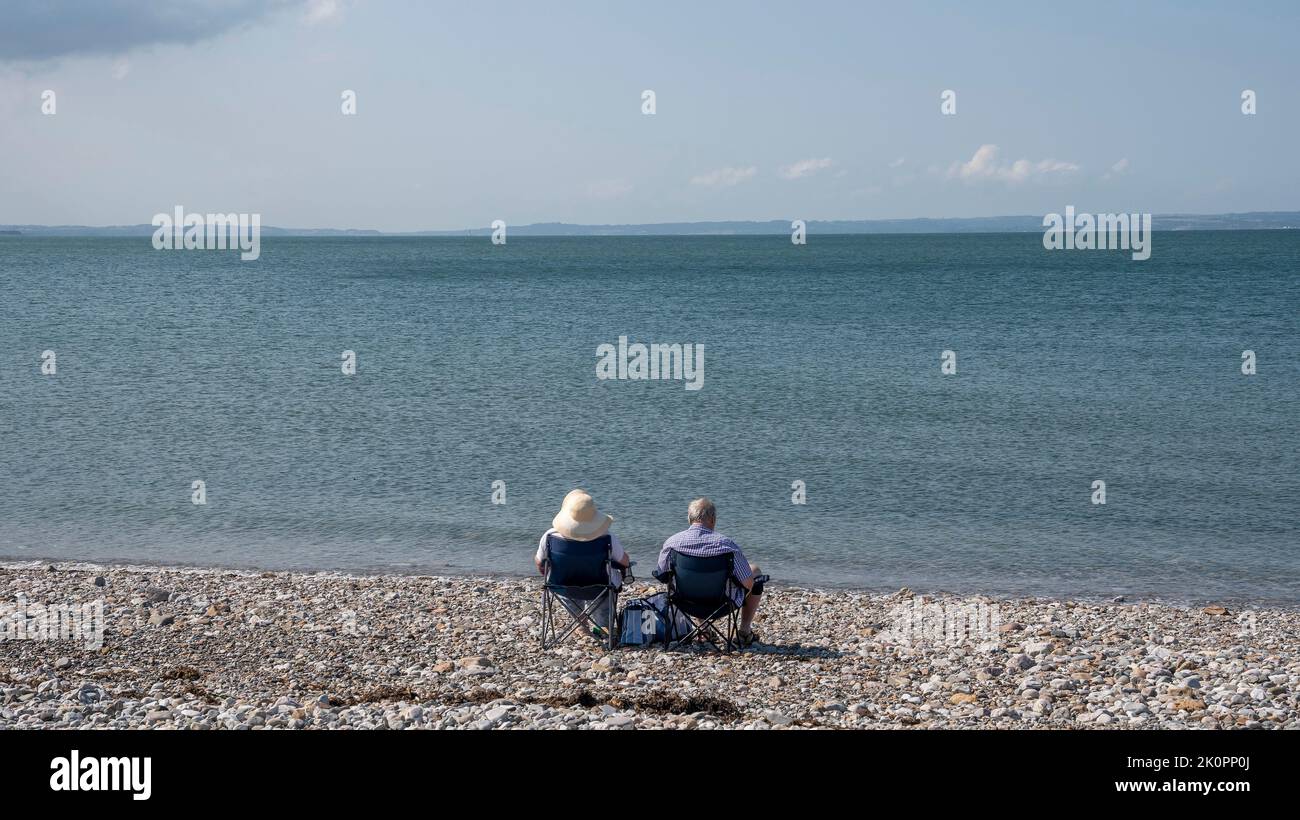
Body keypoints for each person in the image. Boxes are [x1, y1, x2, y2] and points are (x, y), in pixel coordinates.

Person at [657, 497, 764, 645]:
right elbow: (747, 583)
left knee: (694, 579)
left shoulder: (672, 543)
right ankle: (744, 631)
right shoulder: (727, 545)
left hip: (685, 601)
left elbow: (662, 574)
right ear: (713, 519)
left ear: (689, 519)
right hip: (722, 603)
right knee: (755, 572)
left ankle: (705, 628)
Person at [535, 489, 630, 640]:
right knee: (612, 576)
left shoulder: (550, 536)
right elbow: (624, 561)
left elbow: (540, 563)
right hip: (600, 586)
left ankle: (580, 623)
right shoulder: (606, 537)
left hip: (563, 586)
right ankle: (603, 626)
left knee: (562, 576)